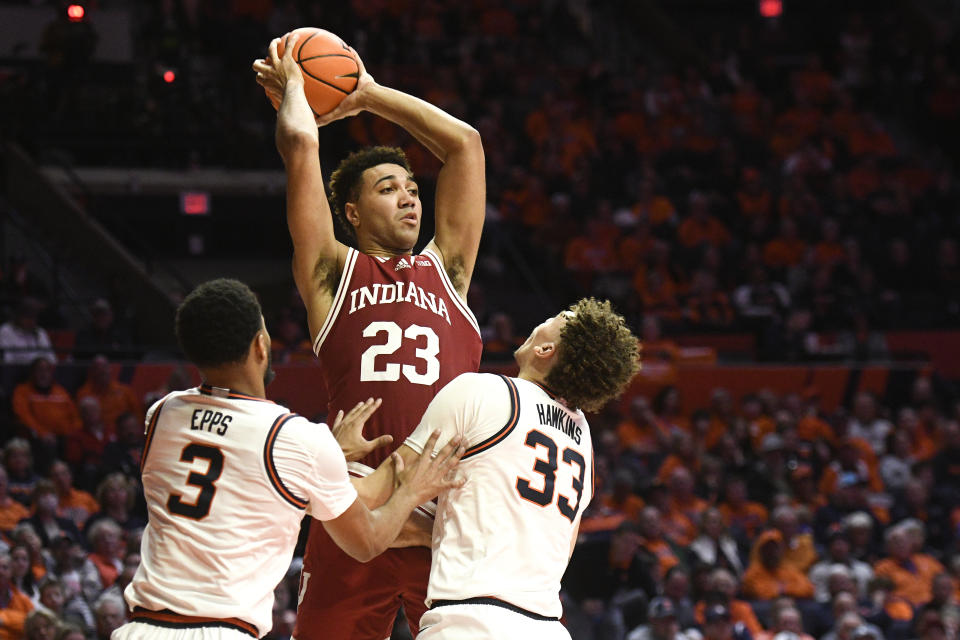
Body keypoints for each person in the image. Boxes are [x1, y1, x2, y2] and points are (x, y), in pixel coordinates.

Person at [253, 28, 486, 639]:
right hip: (354, 507)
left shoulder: (450, 271)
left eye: (413, 189)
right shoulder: (332, 271)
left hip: (446, 510)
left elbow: (465, 146)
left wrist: (370, 94)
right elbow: (301, 150)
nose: (410, 200)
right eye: (389, 190)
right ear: (351, 213)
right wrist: (301, 93)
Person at [112, 278, 465, 640]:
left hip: (140, 628)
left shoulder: (160, 415)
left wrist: (329, 454)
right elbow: (367, 541)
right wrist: (411, 490)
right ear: (261, 345)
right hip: (220, 631)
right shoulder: (295, 438)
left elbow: (243, 473)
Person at [361, 298, 639, 638]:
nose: (549, 315)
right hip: (547, 627)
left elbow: (372, 495)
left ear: (546, 349)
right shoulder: (583, 439)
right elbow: (553, 550)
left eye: (560, 316)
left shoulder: (484, 391)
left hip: (472, 622)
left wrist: (331, 457)